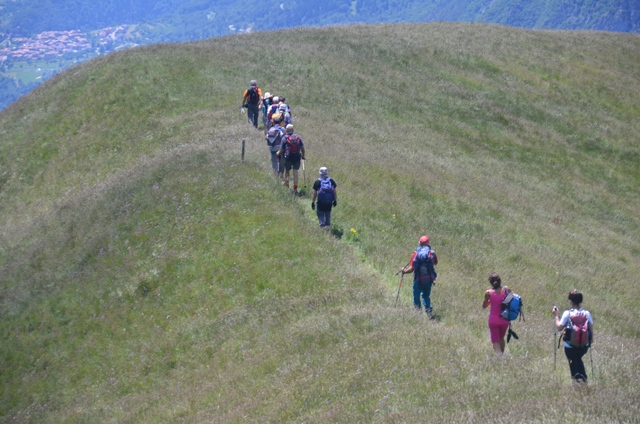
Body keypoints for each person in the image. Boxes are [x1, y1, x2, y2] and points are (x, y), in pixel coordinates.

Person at [553, 290, 594, 383]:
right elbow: (591, 328)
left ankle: (577, 382)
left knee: (573, 363)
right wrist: (591, 340)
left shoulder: (567, 313)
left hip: (570, 345)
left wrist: (556, 316)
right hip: (584, 345)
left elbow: (559, 327)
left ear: (571, 301)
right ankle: (584, 380)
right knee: (578, 359)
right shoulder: (586, 313)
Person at [400, 235, 438, 317]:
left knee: (416, 296)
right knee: (426, 295)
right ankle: (429, 312)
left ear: (419, 243)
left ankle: (418, 314)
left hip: (418, 279)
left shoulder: (415, 254)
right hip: (429, 279)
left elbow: (412, 269)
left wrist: (404, 271)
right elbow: (435, 263)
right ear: (428, 243)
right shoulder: (432, 253)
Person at [482, 272, 511, 356]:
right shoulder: (506, 290)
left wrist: (486, 299)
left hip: (493, 321)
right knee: (501, 338)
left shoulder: (489, 293)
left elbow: (484, 306)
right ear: (500, 281)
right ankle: (502, 354)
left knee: (495, 341)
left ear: (490, 282)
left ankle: (499, 357)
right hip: (504, 320)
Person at [277, 124, 305, 193]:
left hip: (288, 157)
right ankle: (295, 188)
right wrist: (303, 156)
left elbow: (281, 150)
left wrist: (277, 154)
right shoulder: (298, 137)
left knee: (287, 171)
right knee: (295, 173)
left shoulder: (284, 138)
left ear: (286, 130)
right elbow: (303, 148)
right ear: (293, 130)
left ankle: (287, 184)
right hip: (297, 157)